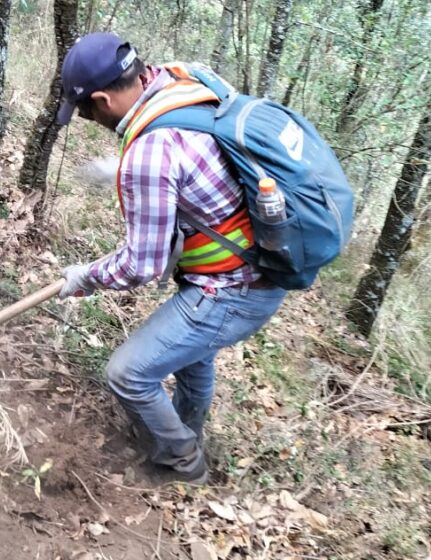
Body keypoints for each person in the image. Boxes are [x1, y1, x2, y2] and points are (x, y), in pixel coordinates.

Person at [56, 32, 286, 484]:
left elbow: (142, 265)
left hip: (233, 289)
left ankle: (182, 460)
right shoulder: (185, 77)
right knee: (193, 356)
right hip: (256, 266)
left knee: (127, 374)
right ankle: (187, 430)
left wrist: (85, 277)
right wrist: (122, 168)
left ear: (103, 98)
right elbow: (200, 154)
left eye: (86, 110)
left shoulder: (148, 153)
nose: (88, 118)